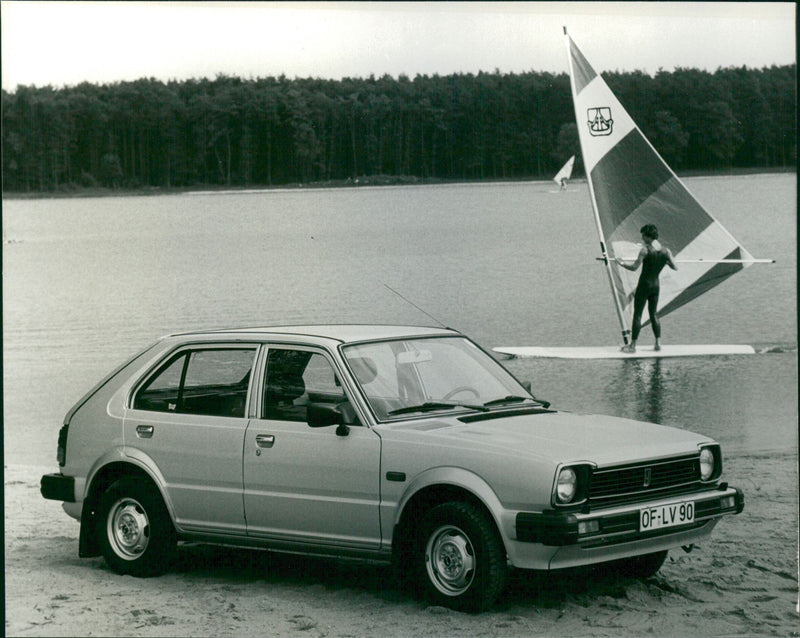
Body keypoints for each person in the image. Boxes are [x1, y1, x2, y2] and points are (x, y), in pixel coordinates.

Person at [615, 224, 677, 353]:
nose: (642, 238)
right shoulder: (666, 251)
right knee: (654, 314)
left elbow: (634, 268)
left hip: (644, 285)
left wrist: (620, 262)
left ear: (649, 237)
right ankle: (658, 344)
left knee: (637, 315)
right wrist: (665, 262)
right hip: (655, 286)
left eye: (643, 235)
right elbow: (675, 267)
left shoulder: (645, 250)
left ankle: (632, 346)